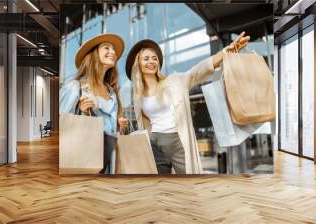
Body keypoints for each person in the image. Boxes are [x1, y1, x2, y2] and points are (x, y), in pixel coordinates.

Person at [125, 32, 250, 174]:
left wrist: (224, 53)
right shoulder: (138, 97)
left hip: (177, 141)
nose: (151, 61)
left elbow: (196, 71)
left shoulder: (174, 81)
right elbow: (145, 125)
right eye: (146, 59)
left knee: (188, 183)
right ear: (138, 65)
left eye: (154, 58)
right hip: (154, 143)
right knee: (160, 185)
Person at [59, 33, 129, 174]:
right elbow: (61, 125)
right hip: (85, 156)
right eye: (106, 48)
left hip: (110, 157)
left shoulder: (112, 93)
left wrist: (116, 123)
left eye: (113, 49)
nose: (113, 52)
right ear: (93, 54)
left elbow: (108, 127)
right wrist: (83, 113)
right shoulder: (74, 87)